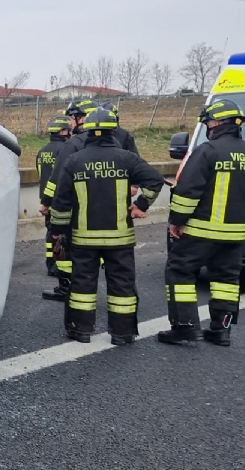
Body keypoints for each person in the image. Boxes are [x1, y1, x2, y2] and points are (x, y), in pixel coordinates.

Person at [48, 108, 165, 345]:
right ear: (113, 131)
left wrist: (58, 232)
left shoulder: (74, 161)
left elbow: (61, 202)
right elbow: (155, 181)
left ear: (86, 130)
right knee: (122, 284)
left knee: (82, 284)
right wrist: (141, 204)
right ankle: (122, 334)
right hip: (120, 238)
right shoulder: (127, 158)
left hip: (84, 239)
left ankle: (80, 330)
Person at [158, 99, 245, 347]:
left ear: (216, 122)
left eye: (208, 122)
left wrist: (176, 221)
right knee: (226, 280)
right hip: (234, 235)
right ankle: (221, 330)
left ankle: (185, 327)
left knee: (179, 272)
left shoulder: (206, 151)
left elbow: (186, 193)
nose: (207, 126)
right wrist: (241, 224)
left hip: (200, 231)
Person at [40, 97, 98, 301]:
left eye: (72, 118)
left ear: (81, 118)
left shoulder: (73, 145)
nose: (70, 123)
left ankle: (68, 288)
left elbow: (57, 179)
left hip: (72, 207)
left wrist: (46, 202)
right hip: (99, 210)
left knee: (65, 244)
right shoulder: (111, 144)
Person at [37, 115, 74, 278]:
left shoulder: (42, 151)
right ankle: (60, 265)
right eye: (69, 130)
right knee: (62, 234)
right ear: (63, 131)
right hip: (60, 199)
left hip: (45, 198)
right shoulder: (65, 150)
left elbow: (41, 174)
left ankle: (50, 263)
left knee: (50, 232)